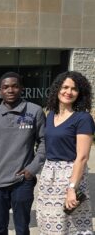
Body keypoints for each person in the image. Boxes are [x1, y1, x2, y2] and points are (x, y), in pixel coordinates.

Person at [0, 72, 46, 235]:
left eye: (15, 86)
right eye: (6, 87)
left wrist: (32, 169)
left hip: (22, 181)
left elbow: (44, 142)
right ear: (0, 91)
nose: (10, 90)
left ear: (22, 89)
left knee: (22, 228)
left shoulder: (35, 111)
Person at [36, 71, 95, 234]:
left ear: (80, 93)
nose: (68, 92)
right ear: (57, 89)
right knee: (47, 223)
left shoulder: (83, 118)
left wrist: (71, 188)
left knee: (73, 226)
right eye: (65, 87)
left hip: (70, 176)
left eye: (74, 89)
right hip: (49, 177)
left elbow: (82, 158)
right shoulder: (51, 116)